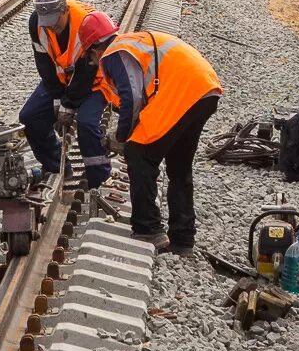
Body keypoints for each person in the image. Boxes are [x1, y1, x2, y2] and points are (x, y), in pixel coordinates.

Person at [88, 29, 223, 254]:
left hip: (182, 90)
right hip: (205, 89)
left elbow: (131, 97)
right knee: (179, 167)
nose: (94, 64)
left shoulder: (114, 53)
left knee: (139, 152)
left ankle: (148, 228)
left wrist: (122, 136)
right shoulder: (133, 43)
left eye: (90, 58)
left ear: (95, 49)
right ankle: (182, 239)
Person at [19, 0, 115, 189]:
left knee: (86, 124)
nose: (52, 27)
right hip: (63, 77)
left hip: (95, 80)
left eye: (56, 21)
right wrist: (56, 96)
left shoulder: (83, 22)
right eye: (47, 23)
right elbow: (43, 62)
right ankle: (55, 166)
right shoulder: (37, 24)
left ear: (65, 10)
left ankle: (99, 178)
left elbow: (87, 70)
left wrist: (68, 104)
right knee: (30, 116)